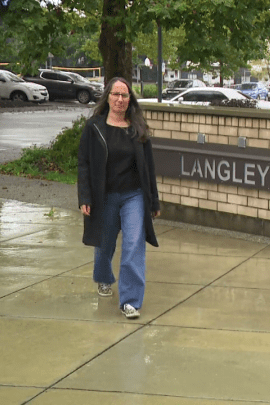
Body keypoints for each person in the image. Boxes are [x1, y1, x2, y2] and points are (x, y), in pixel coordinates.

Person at [77, 76, 161, 319]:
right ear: (108, 97)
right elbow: (84, 164)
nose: (120, 99)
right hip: (104, 196)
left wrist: (154, 200)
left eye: (125, 95)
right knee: (104, 245)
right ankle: (104, 277)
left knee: (134, 244)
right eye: (116, 94)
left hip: (134, 195)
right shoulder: (94, 127)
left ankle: (130, 301)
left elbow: (149, 168)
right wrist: (85, 196)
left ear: (130, 99)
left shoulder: (138, 128)